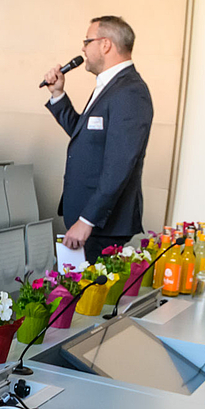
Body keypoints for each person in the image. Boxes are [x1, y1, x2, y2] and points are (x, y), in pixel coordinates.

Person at [42, 15, 153, 261]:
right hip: (87, 219)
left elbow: (120, 164)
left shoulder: (130, 91)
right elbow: (85, 137)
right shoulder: (109, 86)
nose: (82, 48)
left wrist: (87, 219)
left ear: (105, 44)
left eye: (87, 41)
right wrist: (58, 95)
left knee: (91, 297)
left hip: (103, 224)